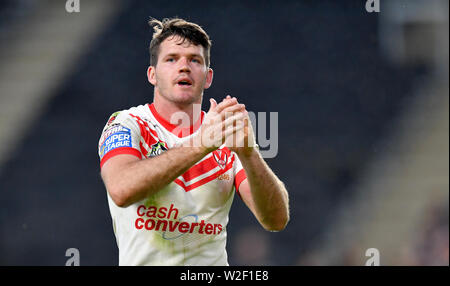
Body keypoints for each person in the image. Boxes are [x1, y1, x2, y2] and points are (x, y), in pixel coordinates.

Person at [98, 17, 289, 266]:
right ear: (152, 75)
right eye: (171, 59)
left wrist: (249, 153)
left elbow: (275, 220)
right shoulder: (126, 123)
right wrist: (201, 143)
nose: (184, 66)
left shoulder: (224, 133)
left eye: (194, 60)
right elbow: (121, 189)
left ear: (208, 78)